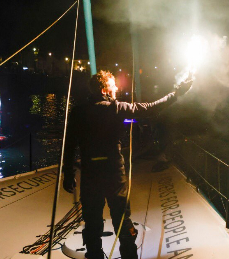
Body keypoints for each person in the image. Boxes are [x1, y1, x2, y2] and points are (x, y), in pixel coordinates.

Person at [63, 70, 192, 259]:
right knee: (123, 221)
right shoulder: (118, 109)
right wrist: (177, 93)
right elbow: (151, 108)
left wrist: (67, 173)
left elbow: (69, 145)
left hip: (91, 175)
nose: (117, 88)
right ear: (105, 88)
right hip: (114, 175)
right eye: (114, 85)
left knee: (91, 223)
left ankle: (95, 256)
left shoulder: (78, 112)